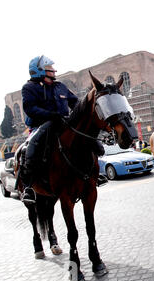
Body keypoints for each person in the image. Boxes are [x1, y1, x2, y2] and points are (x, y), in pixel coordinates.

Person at [20, 55, 107, 204]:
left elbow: (76, 103)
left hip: (64, 122)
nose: (54, 71)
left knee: (89, 141)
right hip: (42, 124)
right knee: (31, 147)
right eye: (50, 69)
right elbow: (29, 108)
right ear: (39, 71)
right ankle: (28, 186)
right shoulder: (29, 88)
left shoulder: (60, 86)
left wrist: (83, 114)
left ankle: (94, 173)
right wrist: (51, 115)